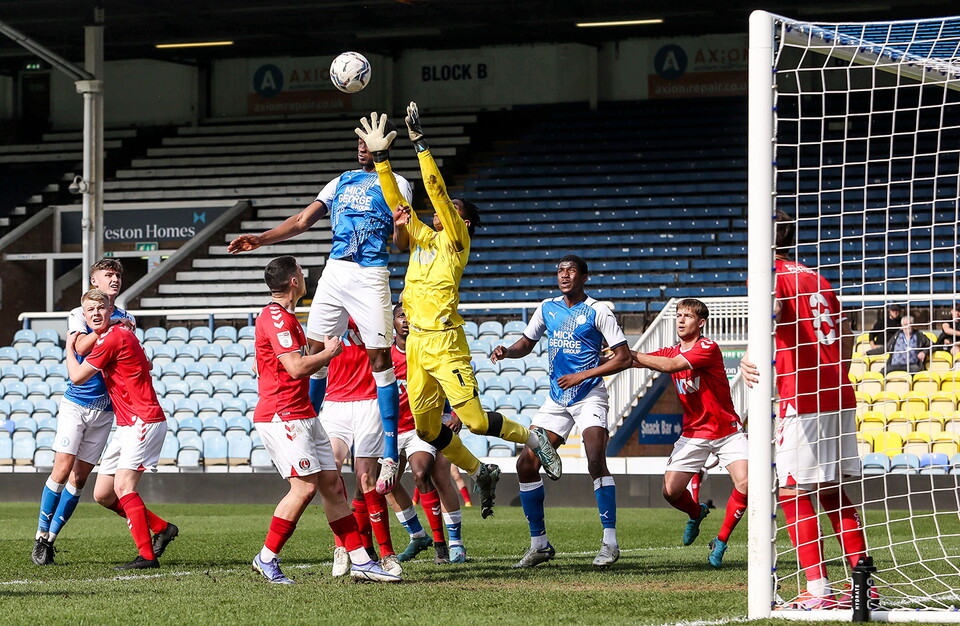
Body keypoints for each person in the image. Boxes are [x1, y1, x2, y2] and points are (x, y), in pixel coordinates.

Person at [356, 103, 562, 519]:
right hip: (416, 346)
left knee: (474, 420)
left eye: (450, 214)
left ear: (463, 224)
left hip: (447, 341)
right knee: (428, 430)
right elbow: (396, 201)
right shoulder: (421, 239)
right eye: (437, 214)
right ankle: (480, 468)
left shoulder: (455, 244)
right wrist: (381, 160)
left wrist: (420, 144)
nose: (438, 214)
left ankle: (533, 437)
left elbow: (437, 191)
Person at [226, 121, 411, 495]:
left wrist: (402, 226)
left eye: (368, 142)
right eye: (358, 141)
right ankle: (309, 427)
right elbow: (301, 221)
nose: (361, 147)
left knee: (380, 359)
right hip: (336, 270)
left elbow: (402, 239)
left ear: (381, 147)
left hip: (370, 272)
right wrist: (260, 240)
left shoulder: (398, 183)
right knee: (314, 353)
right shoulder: (339, 181)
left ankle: (391, 452)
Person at [741, 211, 871, 609]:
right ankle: (865, 585)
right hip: (838, 391)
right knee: (831, 491)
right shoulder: (818, 277)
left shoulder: (769, 274)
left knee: (792, 491)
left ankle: (818, 591)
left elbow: (773, 313)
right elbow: (847, 331)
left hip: (804, 396)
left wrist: (750, 352)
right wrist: (836, 371)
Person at [249, 255, 399, 584]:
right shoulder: (276, 318)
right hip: (282, 414)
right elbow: (296, 368)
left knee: (333, 486)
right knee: (303, 489)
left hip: (303, 412)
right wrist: (328, 352)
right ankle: (267, 557)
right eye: (300, 274)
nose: (304, 278)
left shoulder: (287, 317)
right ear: (293, 281)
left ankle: (360, 559)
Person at [490, 254, 633, 568]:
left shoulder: (598, 311)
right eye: (560, 270)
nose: (564, 275)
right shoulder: (547, 307)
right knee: (526, 464)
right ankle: (539, 544)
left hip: (589, 395)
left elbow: (623, 358)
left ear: (584, 277)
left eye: (571, 270)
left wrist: (583, 375)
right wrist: (507, 350)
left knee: (595, 459)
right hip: (557, 398)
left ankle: (610, 542)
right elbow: (526, 344)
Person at [31, 260, 175, 565]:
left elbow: (139, 358)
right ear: (94, 281)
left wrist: (113, 331)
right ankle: (40, 538)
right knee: (64, 468)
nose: (114, 280)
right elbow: (81, 346)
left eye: (118, 275)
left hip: (110, 411)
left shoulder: (125, 319)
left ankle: (52, 541)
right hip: (79, 403)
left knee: (85, 481)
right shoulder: (81, 312)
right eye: (108, 275)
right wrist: (99, 331)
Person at [629, 298, 748, 568]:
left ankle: (721, 541)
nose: (681, 320)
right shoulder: (670, 351)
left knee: (746, 483)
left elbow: (669, 366)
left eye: (688, 316)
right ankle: (697, 512)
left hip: (727, 431)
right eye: (679, 315)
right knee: (670, 492)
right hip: (693, 433)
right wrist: (611, 356)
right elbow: (642, 361)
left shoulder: (707, 347)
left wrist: (632, 356)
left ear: (701, 322)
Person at [64, 288, 177, 570]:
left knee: (124, 486)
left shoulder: (114, 336)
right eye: (90, 311)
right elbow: (146, 363)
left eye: (101, 308)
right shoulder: (115, 335)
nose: (96, 314)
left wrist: (68, 347)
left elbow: (76, 377)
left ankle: (147, 557)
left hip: (144, 419)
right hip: (127, 423)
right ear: (85, 318)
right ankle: (162, 528)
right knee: (103, 494)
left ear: (110, 311)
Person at [385, 304, 467, 564]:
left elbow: (453, 379)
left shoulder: (429, 351)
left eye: (411, 317)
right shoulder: (384, 356)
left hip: (426, 424)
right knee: (385, 484)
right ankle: (417, 535)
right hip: (392, 429)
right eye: (401, 317)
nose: (406, 321)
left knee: (429, 474)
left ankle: (451, 543)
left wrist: (458, 413)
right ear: (393, 323)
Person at [320, 317, 401, 577]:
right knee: (329, 470)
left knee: (366, 477)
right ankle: (342, 546)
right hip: (335, 401)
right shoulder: (328, 311)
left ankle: (387, 554)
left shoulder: (373, 307)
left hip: (369, 400)